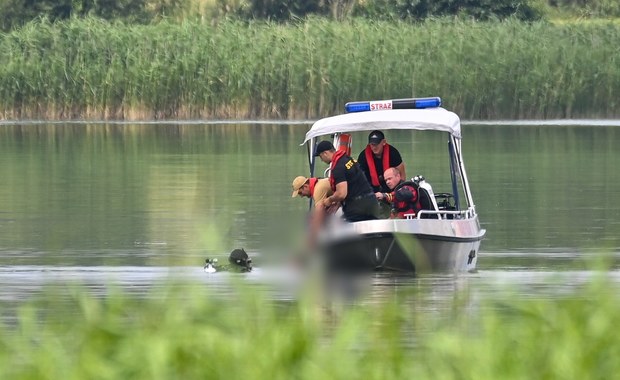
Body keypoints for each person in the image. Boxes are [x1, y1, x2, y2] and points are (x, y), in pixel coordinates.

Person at [315, 140, 380, 222]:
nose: (321, 160)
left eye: (320, 156)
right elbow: (352, 184)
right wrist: (338, 204)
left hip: (357, 206)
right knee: (376, 231)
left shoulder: (338, 167)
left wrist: (329, 200)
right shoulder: (348, 159)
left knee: (349, 232)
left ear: (325, 153)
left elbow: (341, 193)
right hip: (371, 202)